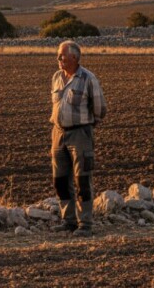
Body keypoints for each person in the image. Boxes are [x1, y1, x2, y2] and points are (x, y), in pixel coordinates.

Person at [49, 40, 106, 237]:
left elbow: (100, 109)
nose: (59, 58)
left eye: (62, 55)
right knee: (60, 180)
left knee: (82, 179)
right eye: (58, 55)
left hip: (80, 134)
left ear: (74, 57)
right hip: (58, 134)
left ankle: (85, 224)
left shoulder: (88, 78)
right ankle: (69, 220)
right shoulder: (57, 77)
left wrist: (86, 127)